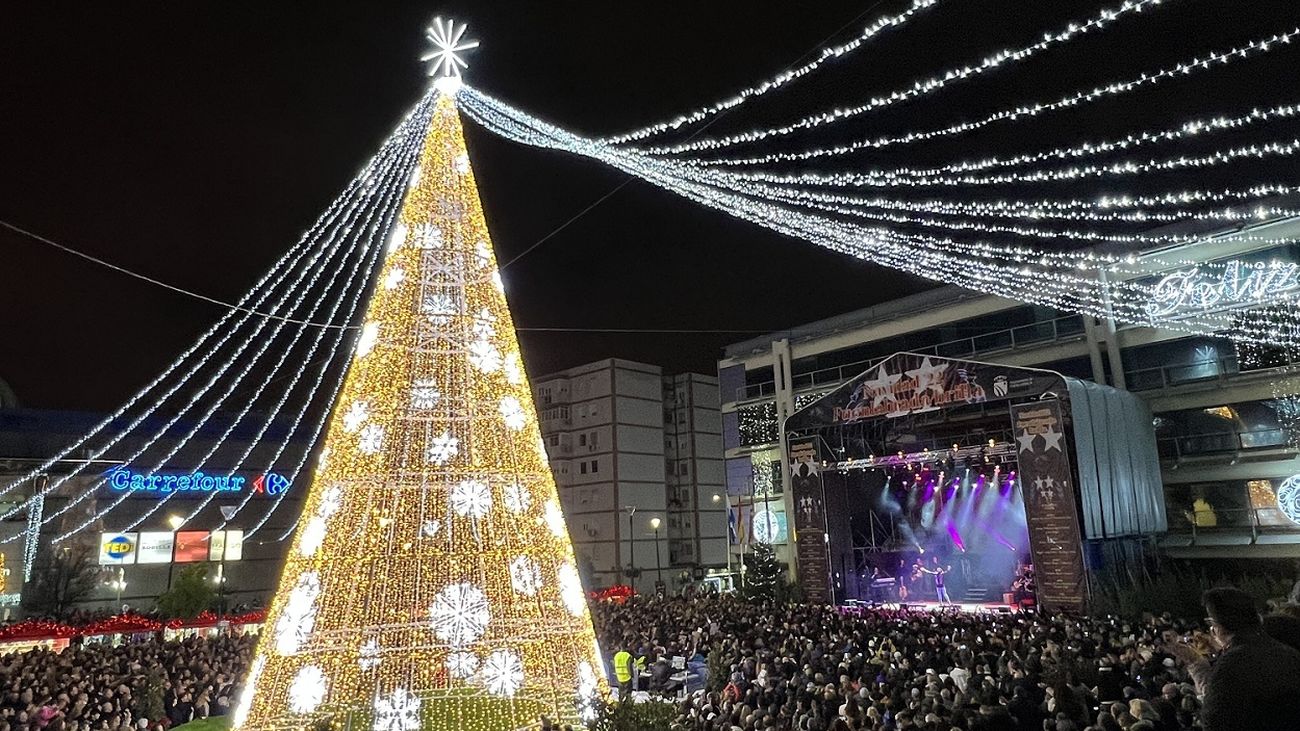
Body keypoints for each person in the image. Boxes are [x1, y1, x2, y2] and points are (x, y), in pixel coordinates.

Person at [1169, 586, 1300, 731]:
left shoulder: (1230, 666)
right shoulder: (1287, 652)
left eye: (1211, 623)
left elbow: (1214, 720)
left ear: (1218, 626)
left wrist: (1196, 664)